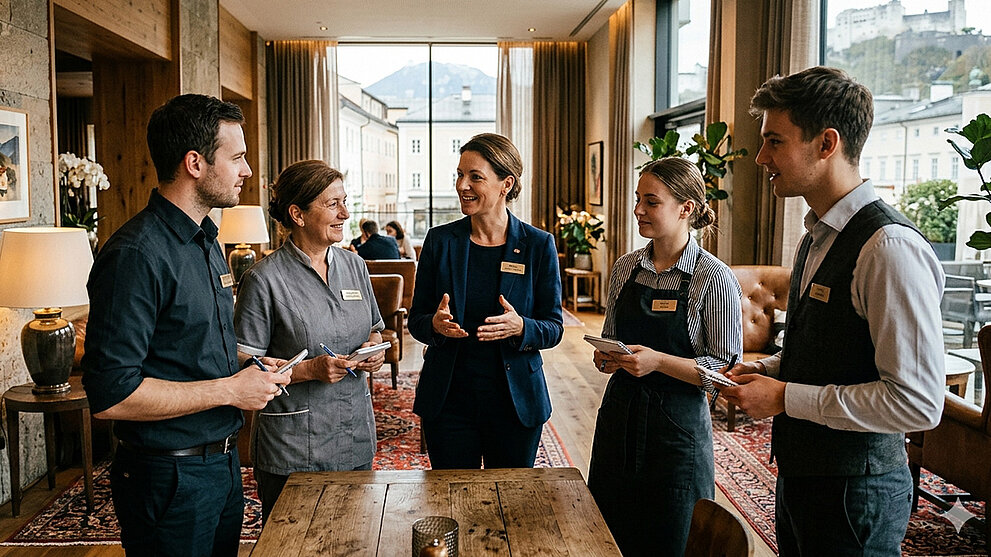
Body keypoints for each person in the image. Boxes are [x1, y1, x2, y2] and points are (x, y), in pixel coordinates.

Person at [720, 66, 945, 556]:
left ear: (826, 144)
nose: (761, 158)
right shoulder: (816, 235)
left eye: (774, 141)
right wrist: (768, 368)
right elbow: (835, 350)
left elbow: (918, 402)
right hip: (804, 476)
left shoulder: (887, 247)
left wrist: (785, 398)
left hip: (855, 494)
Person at [81, 94, 291, 557]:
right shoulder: (135, 255)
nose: (248, 171)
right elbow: (112, 394)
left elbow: (188, 343)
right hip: (167, 477)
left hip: (221, 464)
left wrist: (248, 362)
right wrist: (231, 390)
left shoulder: (207, 241)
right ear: (195, 163)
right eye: (237, 157)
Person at [586, 157, 742, 557]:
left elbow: (724, 369)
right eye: (638, 200)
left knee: (671, 537)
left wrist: (658, 362)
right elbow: (611, 337)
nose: (638, 210)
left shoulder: (713, 277)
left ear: (685, 208)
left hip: (677, 432)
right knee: (608, 532)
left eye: (651, 202)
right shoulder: (625, 268)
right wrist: (607, 358)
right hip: (619, 419)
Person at [234, 159, 385, 523]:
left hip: (355, 437)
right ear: (297, 214)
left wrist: (373, 350)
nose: (345, 213)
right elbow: (242, 363)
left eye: (344, 202)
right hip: (293, 448)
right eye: (332, 204)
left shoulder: (355, 266)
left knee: (355, 538)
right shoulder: (264, 279)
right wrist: (307, 370)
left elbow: (375, 328)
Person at [408, 133, 563, 469]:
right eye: (460, 175)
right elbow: (417, 319)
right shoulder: (440, 241)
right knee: (451, 499)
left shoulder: (538, 245)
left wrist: (522, 326)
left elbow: (553, 326)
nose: (463, 185)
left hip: (515, 403)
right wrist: (433, 325)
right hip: (449, 402)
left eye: (475, 177)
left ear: (506, 184)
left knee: (510, 508)